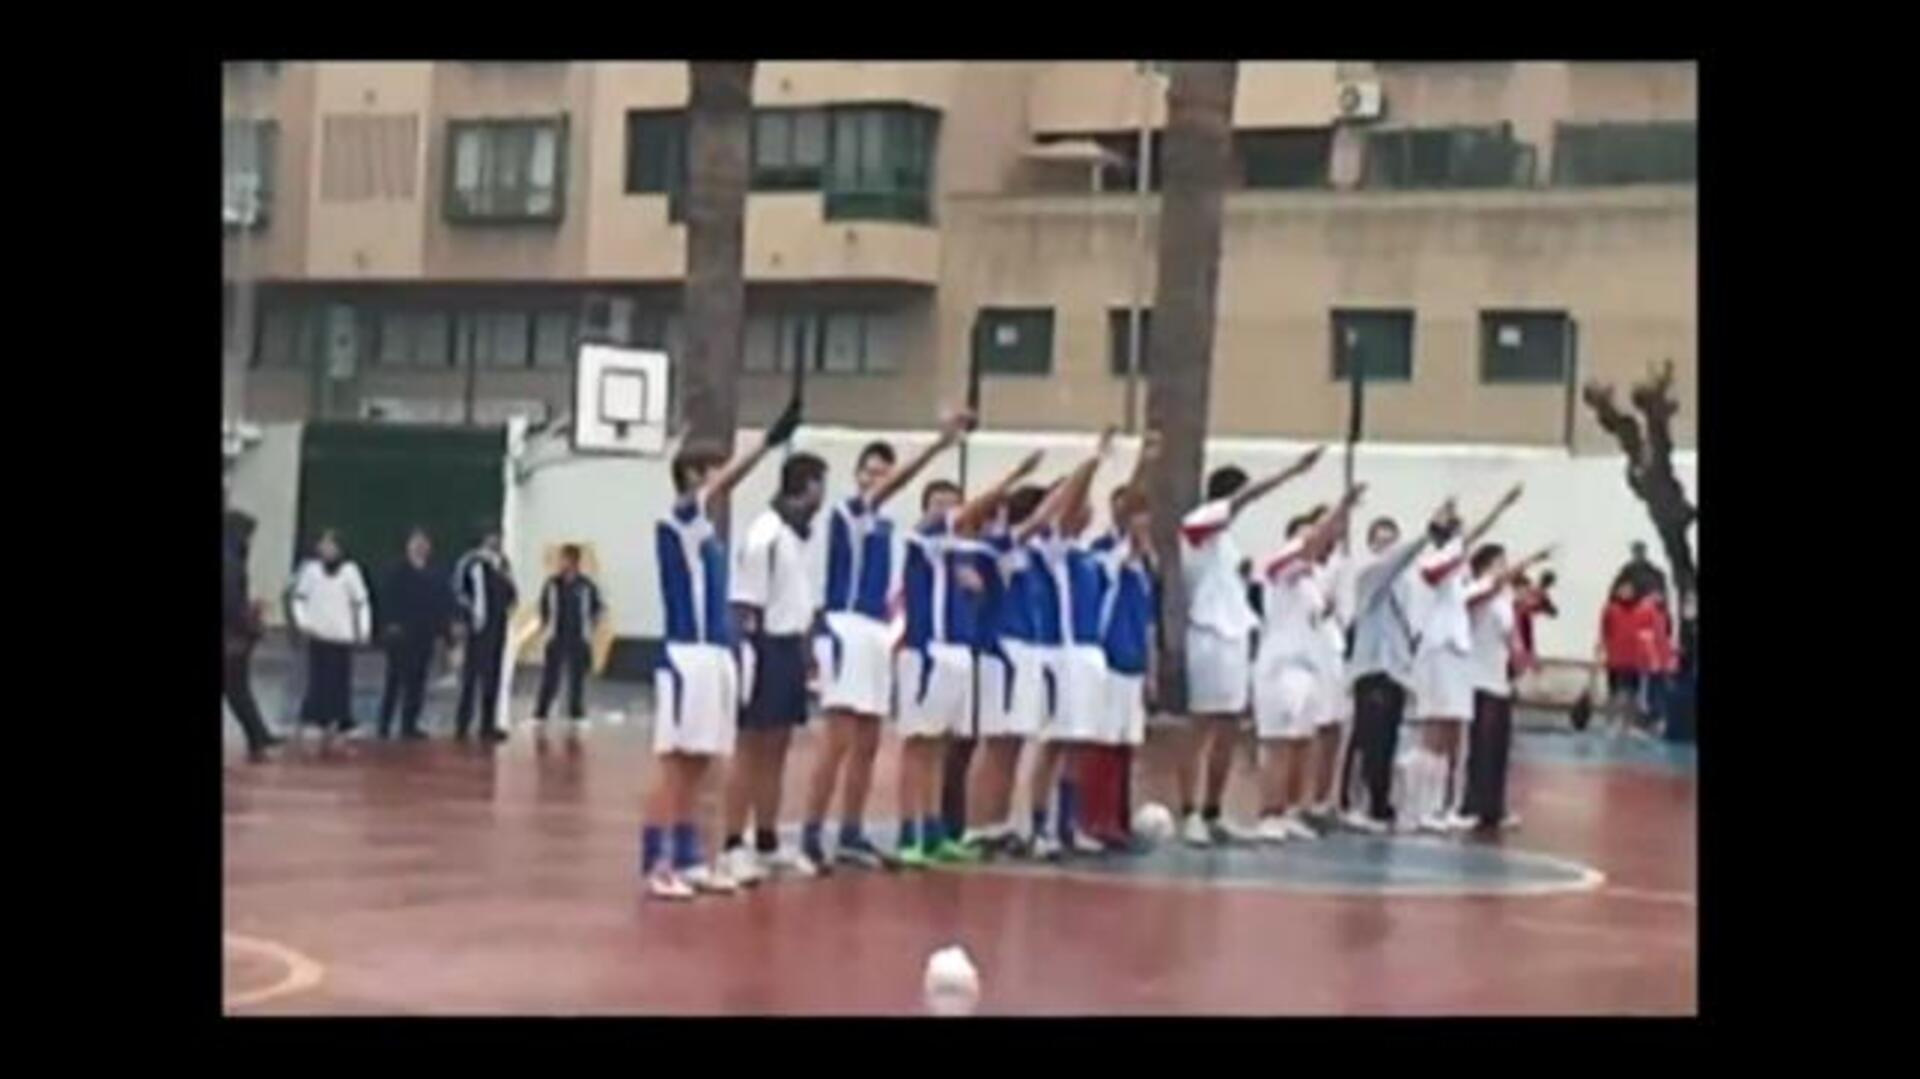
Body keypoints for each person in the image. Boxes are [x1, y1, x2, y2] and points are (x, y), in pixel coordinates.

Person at [800, 411, 972, 871]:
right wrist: (940, 443)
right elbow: (888, 490)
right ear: (858, 476)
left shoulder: (887, 527)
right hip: (845, 626)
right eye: (871, 472)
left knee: (869, 742)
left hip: (876, 632)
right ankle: (811, 835)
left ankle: (851, 832)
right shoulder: (848, 513)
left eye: (883, 472)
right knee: (836, 740)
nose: (877, 480)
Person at [640, 418, 791, 901]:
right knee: (674, 764)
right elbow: (724, 484)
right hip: (686, 655)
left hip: (713, 655)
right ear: (691, 477)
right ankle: (654, 863)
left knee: (700, 763)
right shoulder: (679, 519)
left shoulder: (705, 533)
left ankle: (687, 856)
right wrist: (767, 442)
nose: (717, 478)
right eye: (709, 471)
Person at [1175, 446, 1326, 846]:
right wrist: (1291, 470)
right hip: (1207, 633)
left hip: (1235, 635)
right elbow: (1243, 500)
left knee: (1228, 727)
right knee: (1202, 726)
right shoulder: (1196, 526)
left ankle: (1212, 810)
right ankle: (1188, 812)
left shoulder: (1228, 543)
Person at [720, 451, 830, 886]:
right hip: (763, 647)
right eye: (821, 484)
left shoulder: (797, 535)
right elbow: (745, 602)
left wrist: (805, 652)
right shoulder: (765, 533)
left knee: (778, 747)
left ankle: (765, 839)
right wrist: (748, 657)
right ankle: (731, 844)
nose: (823, 494)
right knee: (750, 747)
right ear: (807, 487)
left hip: (789, 647)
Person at [892, 478, 1003, 867]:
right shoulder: (920, 539)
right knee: (917, 745)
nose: (947, 511)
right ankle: (907, 834)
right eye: (939, 503)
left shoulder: (960, 557)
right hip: (925, 651)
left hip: (955, 653)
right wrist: (1014, 476)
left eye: (952, 504)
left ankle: (934, 830)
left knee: (939, 746)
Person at [1402, 485, 1526, 834]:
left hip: (1456, 652)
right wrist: (1499, 506)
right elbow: (1468, 541)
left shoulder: (1458, 574)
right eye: (1457, 532)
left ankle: (1439, 805)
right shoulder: (1431, 563)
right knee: (1433, 732)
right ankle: (1417, 806)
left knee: (1450, 734)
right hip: (1436, 651)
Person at [1021, 435, 1118, 859]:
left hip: (1090, 655)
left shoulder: (1088, 555)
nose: (1086, 507)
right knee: (1053, 741)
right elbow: (1066, 503)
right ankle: (1038, 826)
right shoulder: (1052, 550)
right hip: (1060, 655)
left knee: (1080, 743)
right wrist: (1093, 460)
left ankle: (1067, 824)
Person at [1251, 488, 1362, 843]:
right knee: (1279, 744)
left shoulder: (1312, 581)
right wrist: (1339, 507)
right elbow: (1314, 541)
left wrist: (1340, 519)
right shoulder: (1278, 569)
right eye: (1304, 535)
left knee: (1302, 742)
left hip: (1308, 669)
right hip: (1279, 668)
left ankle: (1290, 809)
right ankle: (1268, 812)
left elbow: (1325, 547)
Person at [1339, 498, 1454, 833]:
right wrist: (1426, 535)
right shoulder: (1369, 576)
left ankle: (1380, 801)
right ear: (1371, 544)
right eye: (1381, 541)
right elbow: (1397, 561)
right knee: (1369, 738)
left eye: (1392, 540)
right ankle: (1359, 803)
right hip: (1372, 668)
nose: (1388, 548)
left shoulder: (1407, 586)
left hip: (1396, 672)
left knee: (1387, 740)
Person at [1078, 435, 1163, 848]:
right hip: (1107, 658)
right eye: (1134, 517)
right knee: (1102, 744)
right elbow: (1128, 504)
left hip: (1132, 662)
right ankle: (1093, 818)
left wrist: (1152, 668)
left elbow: (1148, 620)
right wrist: (1143, 464)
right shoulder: (1105, 552)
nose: (1140, 522)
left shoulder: (1147, 566)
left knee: (1125, 745)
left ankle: (1116, 817)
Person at [1461, 543, 1551, 833]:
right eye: (1499, 562)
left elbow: (1512, 635)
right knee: (1481, 746)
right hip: (1479, 679)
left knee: (1498, 748)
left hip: (1499, 680)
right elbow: (1490, 587)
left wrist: (1524, 660)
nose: (1505, 566)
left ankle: (1494, 809)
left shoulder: (1504, 599)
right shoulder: (1477, 590)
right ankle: (1472, 804)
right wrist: (1531, 558)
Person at [289, 528, 372, 749]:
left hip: (342, 635)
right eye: (323, 545)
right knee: (317, 678)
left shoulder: (350, 571)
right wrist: (303, 623)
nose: (327, 549)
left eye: (331, 545)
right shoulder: (311, 571)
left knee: (340, 680)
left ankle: (342, 720)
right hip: (318, 634)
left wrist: (363, 629)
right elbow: (299, 599)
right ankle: (315, 719)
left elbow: (361, 601)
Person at [377, 527, 452, 741]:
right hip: (400, 634)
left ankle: (409, 725)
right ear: (408, 545)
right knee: (394, 680)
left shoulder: (436, 573)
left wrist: (445, 633)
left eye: (424, 543)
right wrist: (389, 624)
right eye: (416, 542)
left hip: (424, 633)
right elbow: (386, 600)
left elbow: (442, 604)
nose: (420, 546)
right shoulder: (395, 570)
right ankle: (384, 724)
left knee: (417, 681)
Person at [223, 509, 282, 762]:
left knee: (237, 689)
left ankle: (258, 734)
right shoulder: (231, 562)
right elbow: (231, 601)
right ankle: (257, 735)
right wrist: (250, 626)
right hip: (231, 637)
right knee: (237, 688)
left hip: (231, 634)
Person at [452, 525, 517, 744]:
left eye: (499, 537)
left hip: (497, 626)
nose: (496, 541)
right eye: (492, 537)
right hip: (475, 627)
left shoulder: (502, 563)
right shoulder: (470, 562)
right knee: (470, 676)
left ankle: (487, 724)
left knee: (493, 676)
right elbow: (459, 591)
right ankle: (462, 725)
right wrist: (464, 617)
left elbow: (511, 592)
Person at [532, 543, 606, 736]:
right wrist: (545, 626)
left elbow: (597, 609)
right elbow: (544, 607)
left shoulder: (586, 585)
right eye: (561, 559)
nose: (562, 562)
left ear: (574, 561)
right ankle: (540, 714)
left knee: (577, 678)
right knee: (550, 677)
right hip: (556, 636)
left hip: (579, 637)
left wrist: (591, 628)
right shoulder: (552, 584)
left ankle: (576, 714)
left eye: (565, 558)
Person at [1598, 578, 1652, 736]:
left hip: (1634, 659)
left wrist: (1647, 654)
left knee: (1632, 694)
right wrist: (1602, 649)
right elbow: (1603, 631)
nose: (1626, 593)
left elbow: (1646, 634)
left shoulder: (1642, 611)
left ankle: (1628, 725)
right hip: (1615, 658)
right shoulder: (1610, 610)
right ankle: (1611, 723)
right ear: (1617, 591)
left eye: (1629, 590)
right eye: (1623, 589)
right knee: (1615, 693)